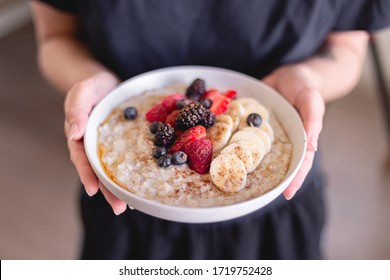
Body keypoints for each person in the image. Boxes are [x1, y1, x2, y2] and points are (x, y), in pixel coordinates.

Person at [30, 0, 390, 259]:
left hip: (277, 212)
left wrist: (307, 79)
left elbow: (345, 50)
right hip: (126, 217)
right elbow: (56, 37)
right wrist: (91, 81)